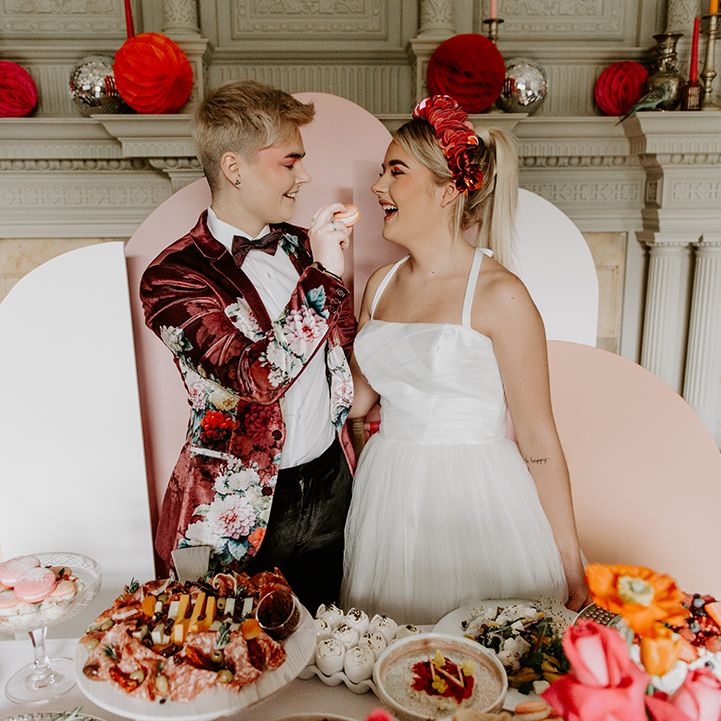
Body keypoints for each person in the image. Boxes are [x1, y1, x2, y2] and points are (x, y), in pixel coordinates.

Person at [341, 95, 589, 624]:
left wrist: (570, 560)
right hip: (390, 492)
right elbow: (356, 402)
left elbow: (539, 438)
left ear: (449, 190)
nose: (377, 186)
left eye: (395, 171)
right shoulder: (379, 286)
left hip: (474, 494)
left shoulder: (502, 296)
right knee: (393, 657)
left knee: (479, 661)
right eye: (382, 171)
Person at [140, 80, 357, 610]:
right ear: (234, 168)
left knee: (325, 653)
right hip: (236, 511)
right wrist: (323, 275)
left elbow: (340, 352)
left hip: (332, 485)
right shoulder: (171, 278)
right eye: (289, 162)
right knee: (236, 659)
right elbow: (254, 379)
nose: (304, 176)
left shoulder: (305, 246)